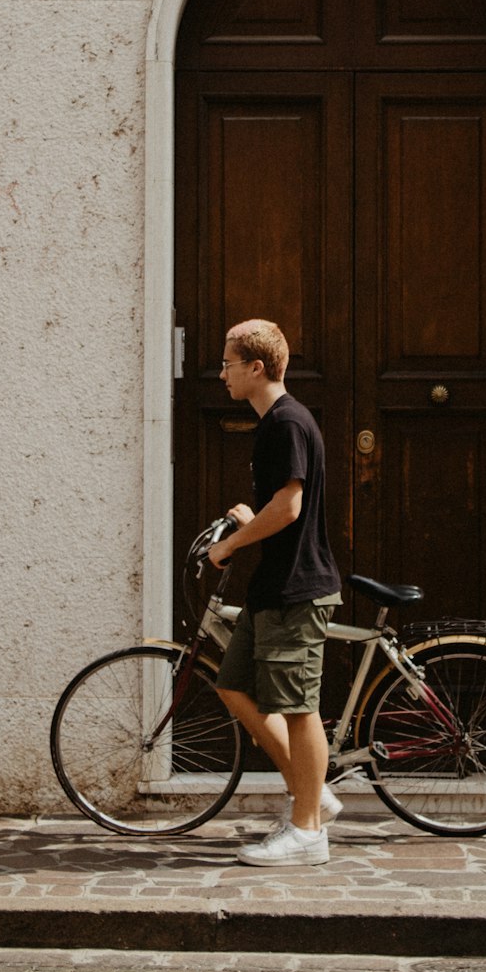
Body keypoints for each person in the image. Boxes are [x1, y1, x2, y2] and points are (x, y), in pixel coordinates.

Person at [207, 318, 342, 866]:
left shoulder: (286, 422)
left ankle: (308, 830)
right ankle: (315, 794)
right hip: (272, 587)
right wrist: (248, 517)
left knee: (298, 707)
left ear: (256, 367)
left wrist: (234, 542)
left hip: (295, 589)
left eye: (228, 364)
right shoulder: (277, 424)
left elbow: (289, 509)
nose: (221, 375)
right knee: (232, 684)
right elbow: (281, 505)